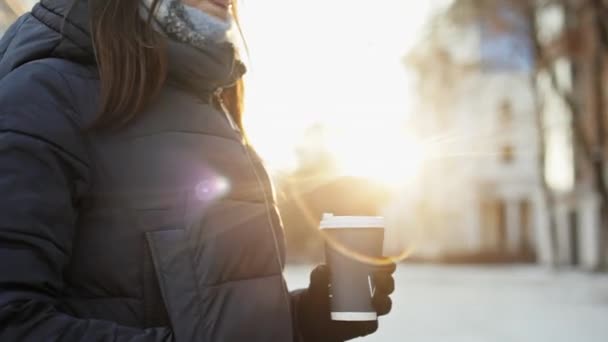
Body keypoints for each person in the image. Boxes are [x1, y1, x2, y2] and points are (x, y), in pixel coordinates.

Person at [0, 0, 396, 341]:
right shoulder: (43, 99)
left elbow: (215, 318)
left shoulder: (212, 104)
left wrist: (305, 321)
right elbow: (12, 322)